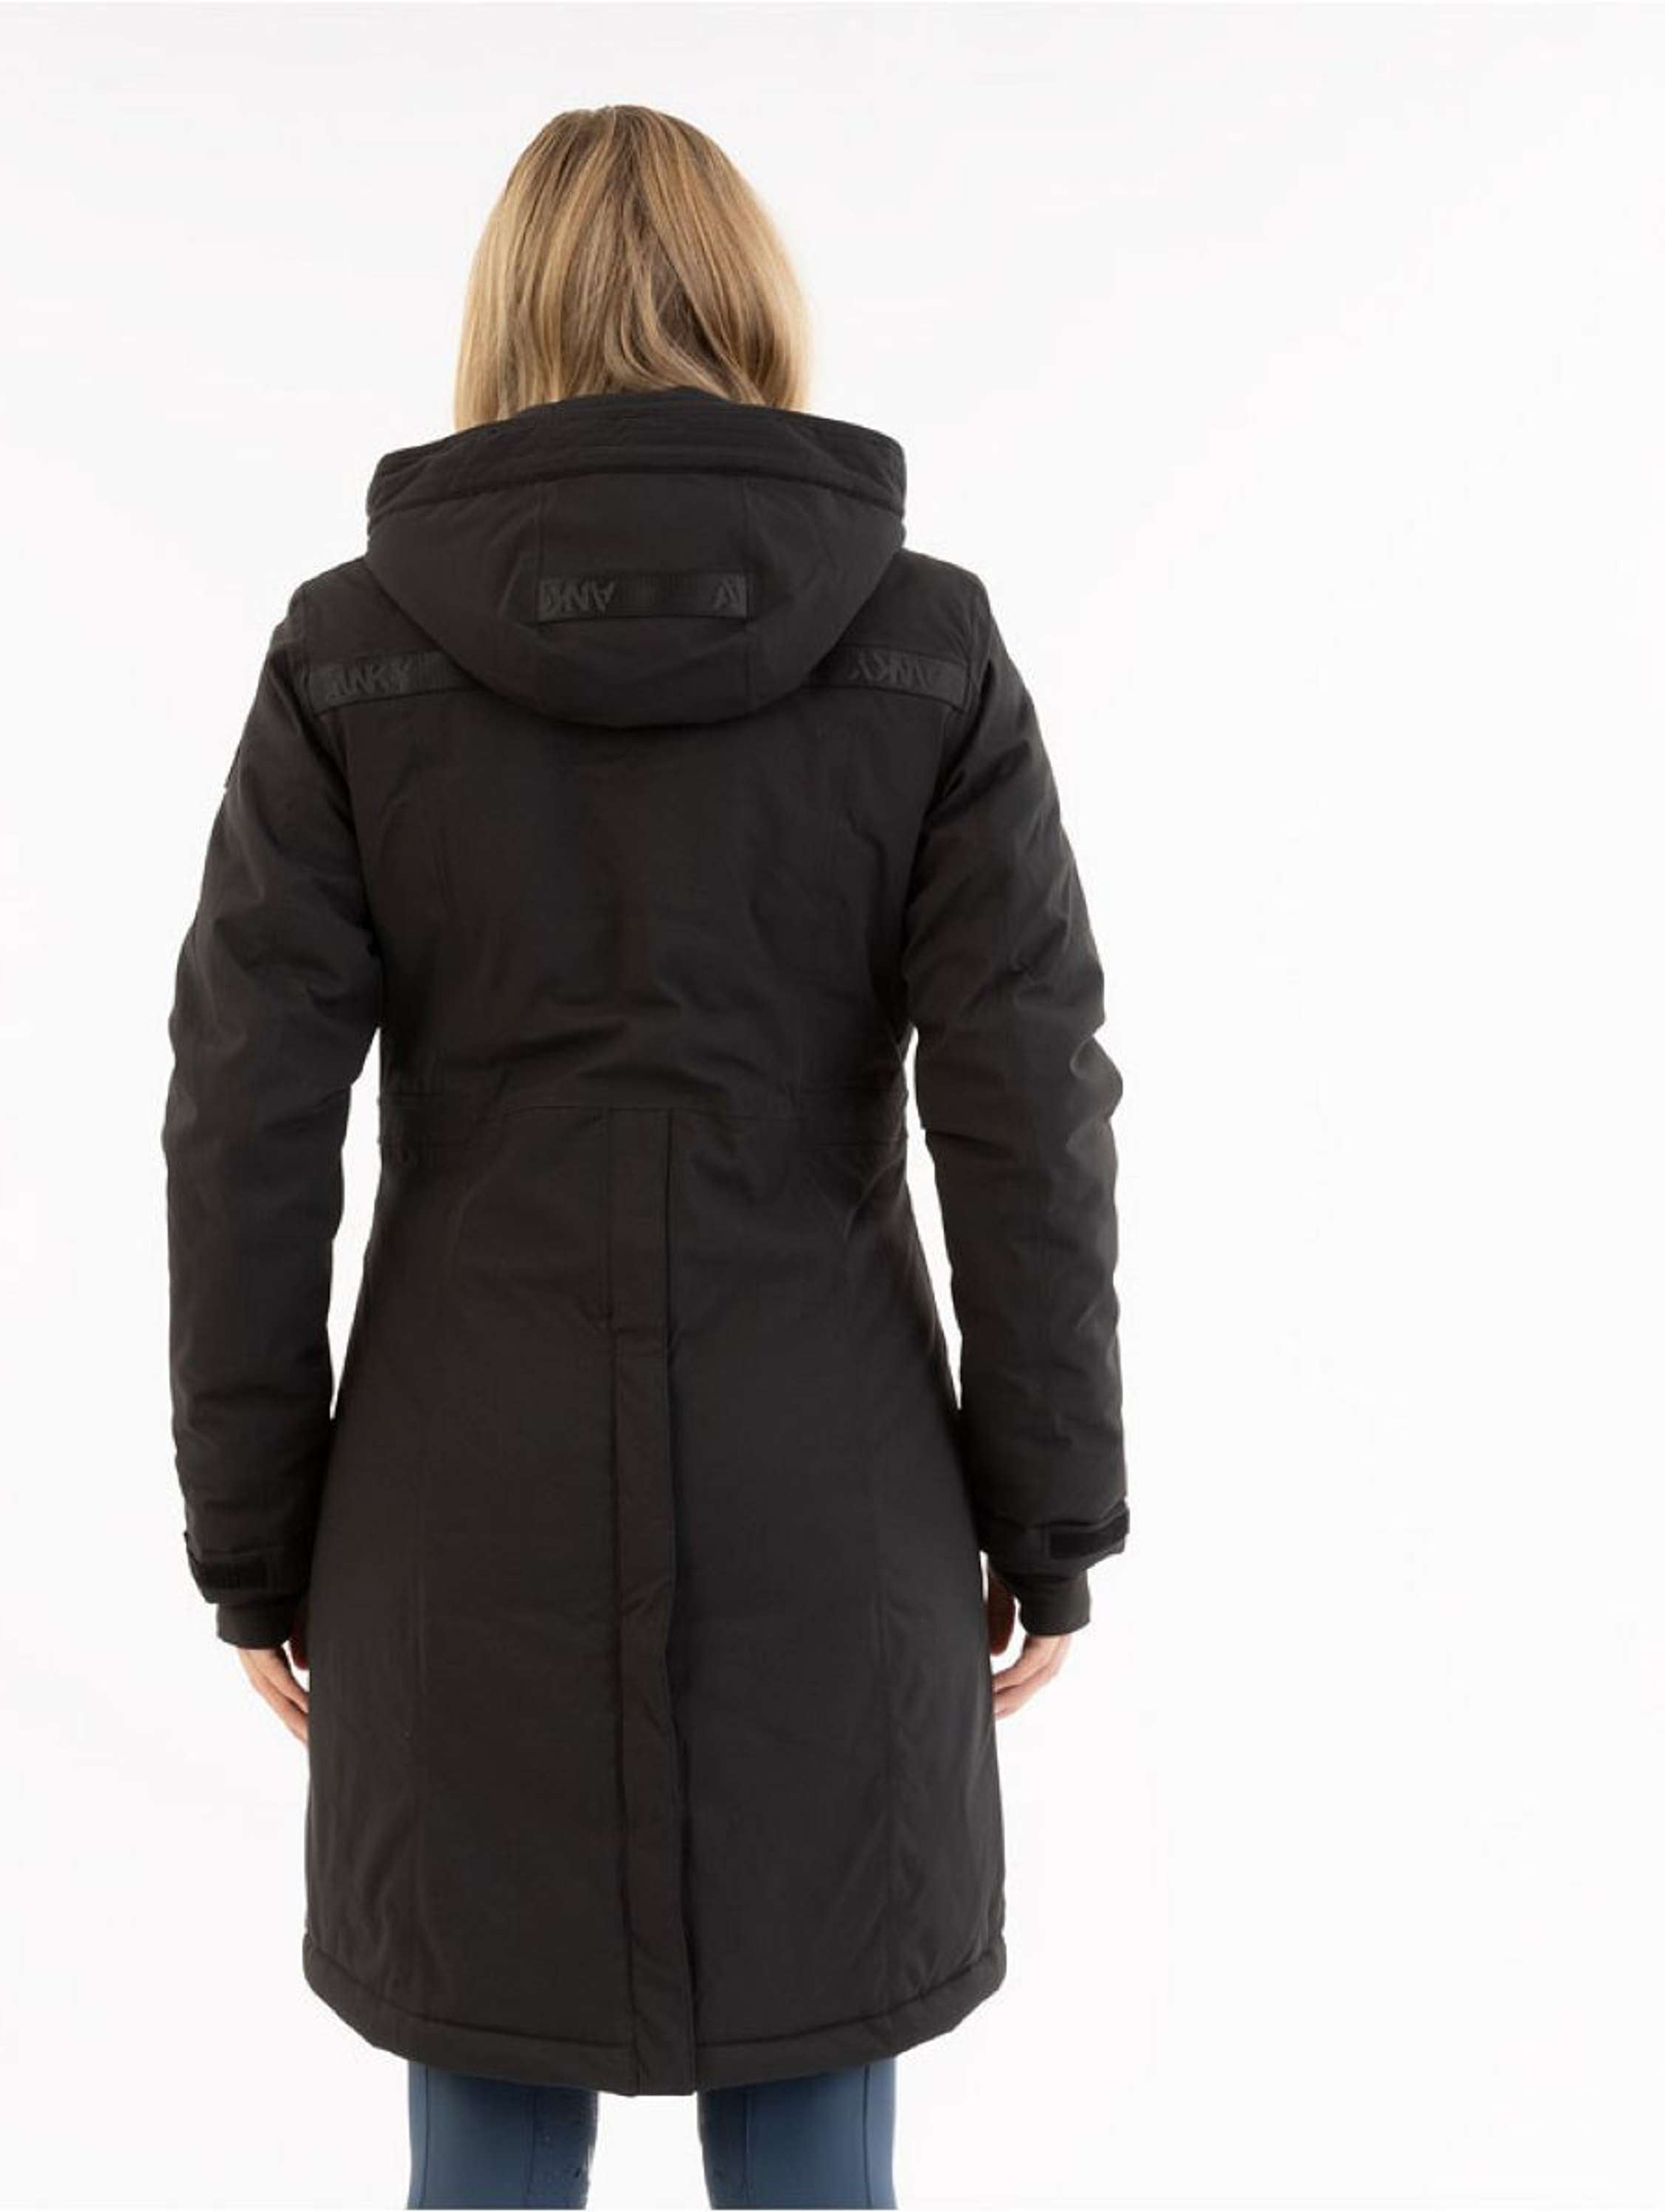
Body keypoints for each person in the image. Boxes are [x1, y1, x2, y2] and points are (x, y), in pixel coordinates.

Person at [162, 105, 1127, 2211]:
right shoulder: (926, 648)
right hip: (835, 1499)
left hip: (455, 1512)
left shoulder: (350, 657)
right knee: (816, 2139)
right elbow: (1027, 1112)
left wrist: (259, 1536)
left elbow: (242, 1120)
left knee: (487, 2138)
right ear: (753, 301)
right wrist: (1049, 1516)